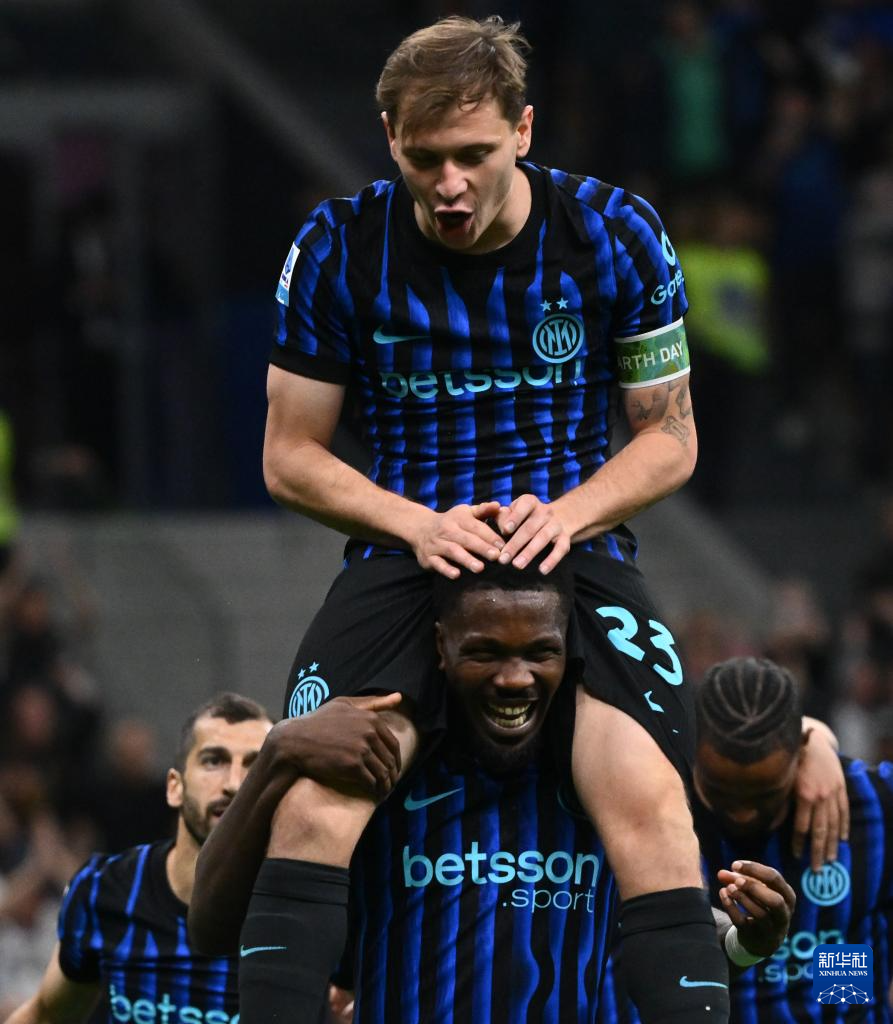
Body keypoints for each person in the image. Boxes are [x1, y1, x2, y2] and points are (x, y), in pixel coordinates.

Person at [231, 15, 838, 1021]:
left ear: (521, 128)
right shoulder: (336, 246)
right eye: (425, 158)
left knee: (651, 808)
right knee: (310, 808)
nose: (449, 184)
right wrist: (417, 525)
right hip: (406, 553)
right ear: (389, 138)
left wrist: (567, 512)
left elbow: (668, 437)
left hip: (574, 545)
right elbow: (288, 456)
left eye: (473, 154)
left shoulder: (613, 233)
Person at [192, 558, 798, 1021]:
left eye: (539, 652)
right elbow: (216, 928)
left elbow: (674, 938)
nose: (514, 678)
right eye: (485, 652)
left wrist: (750, 947)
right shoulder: (374, 773)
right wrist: (275, 754)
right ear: (440, 649)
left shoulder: (617, 785)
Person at [602, 656, 893, 1023]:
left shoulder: (873, 803)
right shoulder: (647, 811)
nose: (743, 814)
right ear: (691, 744)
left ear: (801, 750)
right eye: (720, 791)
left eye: (765, 795)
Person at [3, 692, 272, 1024]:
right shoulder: (105, 890)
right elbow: (47, 1014)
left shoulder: (299, 907)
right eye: (214, 761)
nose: (234, 784)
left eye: (254, 766)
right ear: (174, 787)